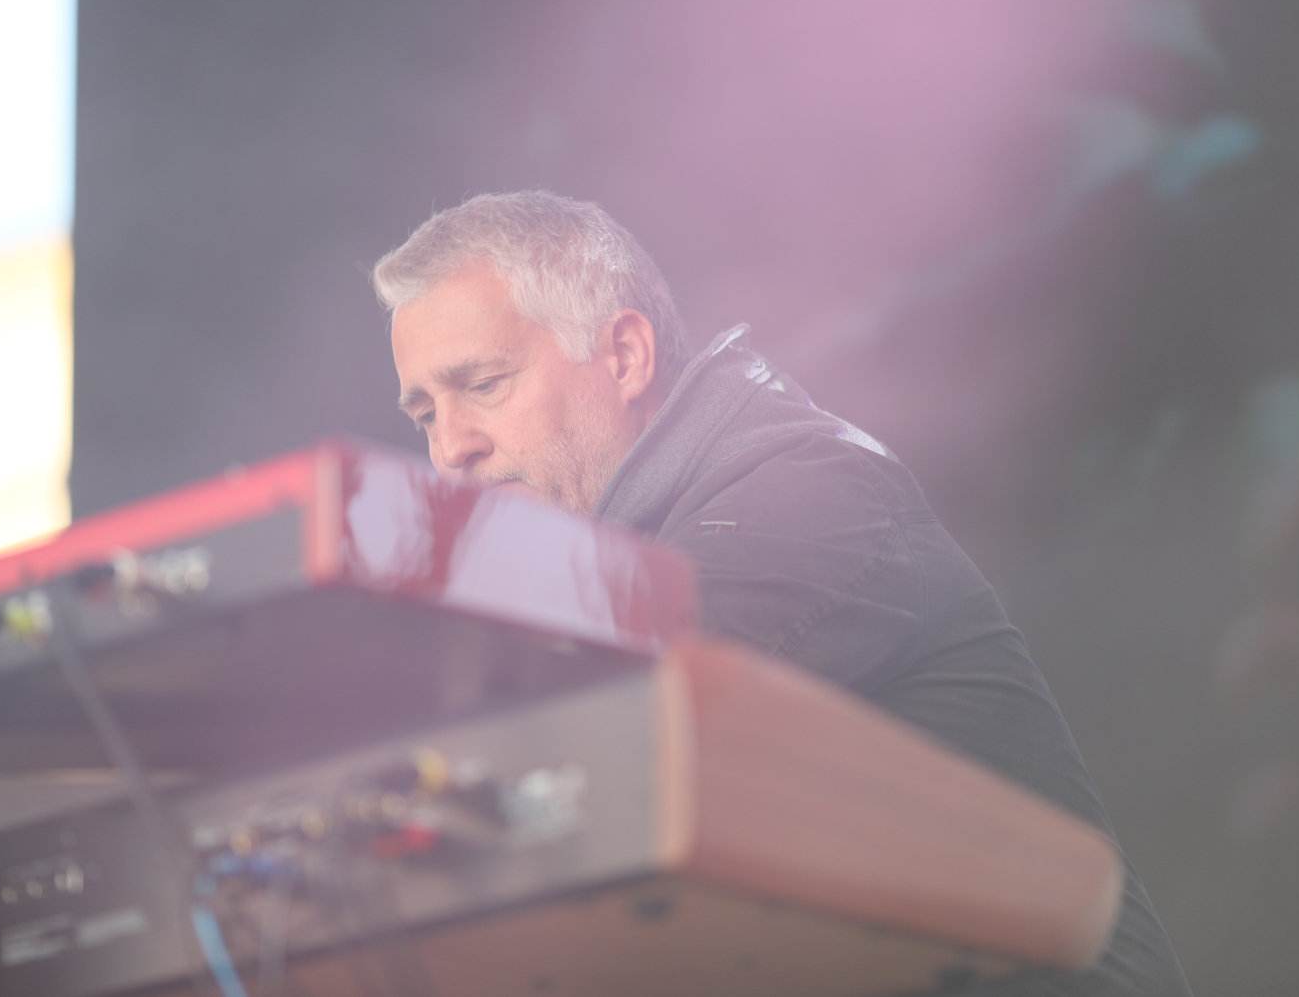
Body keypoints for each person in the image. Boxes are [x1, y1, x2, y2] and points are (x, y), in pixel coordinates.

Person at [373, 190, 1191, 996]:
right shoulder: (614, 564)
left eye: (483, 385)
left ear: (623, 356)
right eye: (426, 415)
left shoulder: (809, 489)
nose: (450, 449)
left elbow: (618, 724)